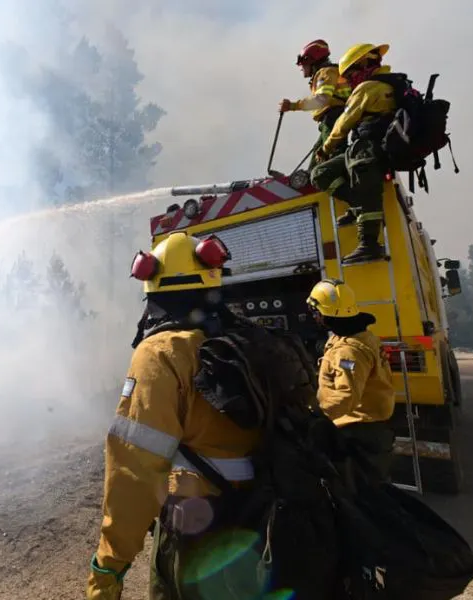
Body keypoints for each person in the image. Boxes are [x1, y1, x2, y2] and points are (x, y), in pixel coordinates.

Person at [86, 231, 269, 600]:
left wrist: (109, 565)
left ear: (153, 289)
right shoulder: (248, 340)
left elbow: (134, 471)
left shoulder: (161, 354)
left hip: (199, 532)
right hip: (261, 521)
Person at [310, 42, 395, 264]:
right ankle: (357, 209)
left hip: (367, 149)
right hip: (377, 147)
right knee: (325, 174)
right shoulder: (392, 83)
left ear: (364, 63)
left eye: (350, 74)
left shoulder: (368, 88)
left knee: (360, 190)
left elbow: (344, 123)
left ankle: (368, 244)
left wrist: (326, 148)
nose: (349, 80)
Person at [306, 278, 396, 482]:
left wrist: (312, 414)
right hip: (368, 428)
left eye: (316, 312)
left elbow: (346, 397)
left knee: (359, 495)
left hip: (358, 433)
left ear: (326, 314)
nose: (315, 317)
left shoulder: (349, 351)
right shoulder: (360, 335)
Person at [279, 39, 353, 170]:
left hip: (333, 119)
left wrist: (293, 106)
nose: (301, 68)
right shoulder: (329, 72)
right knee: (315, 164)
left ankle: (341, 187)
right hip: (333, 120)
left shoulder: (325, 73)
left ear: (311, 61)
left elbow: (322, 99)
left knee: (332, 159)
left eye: (303, 64)